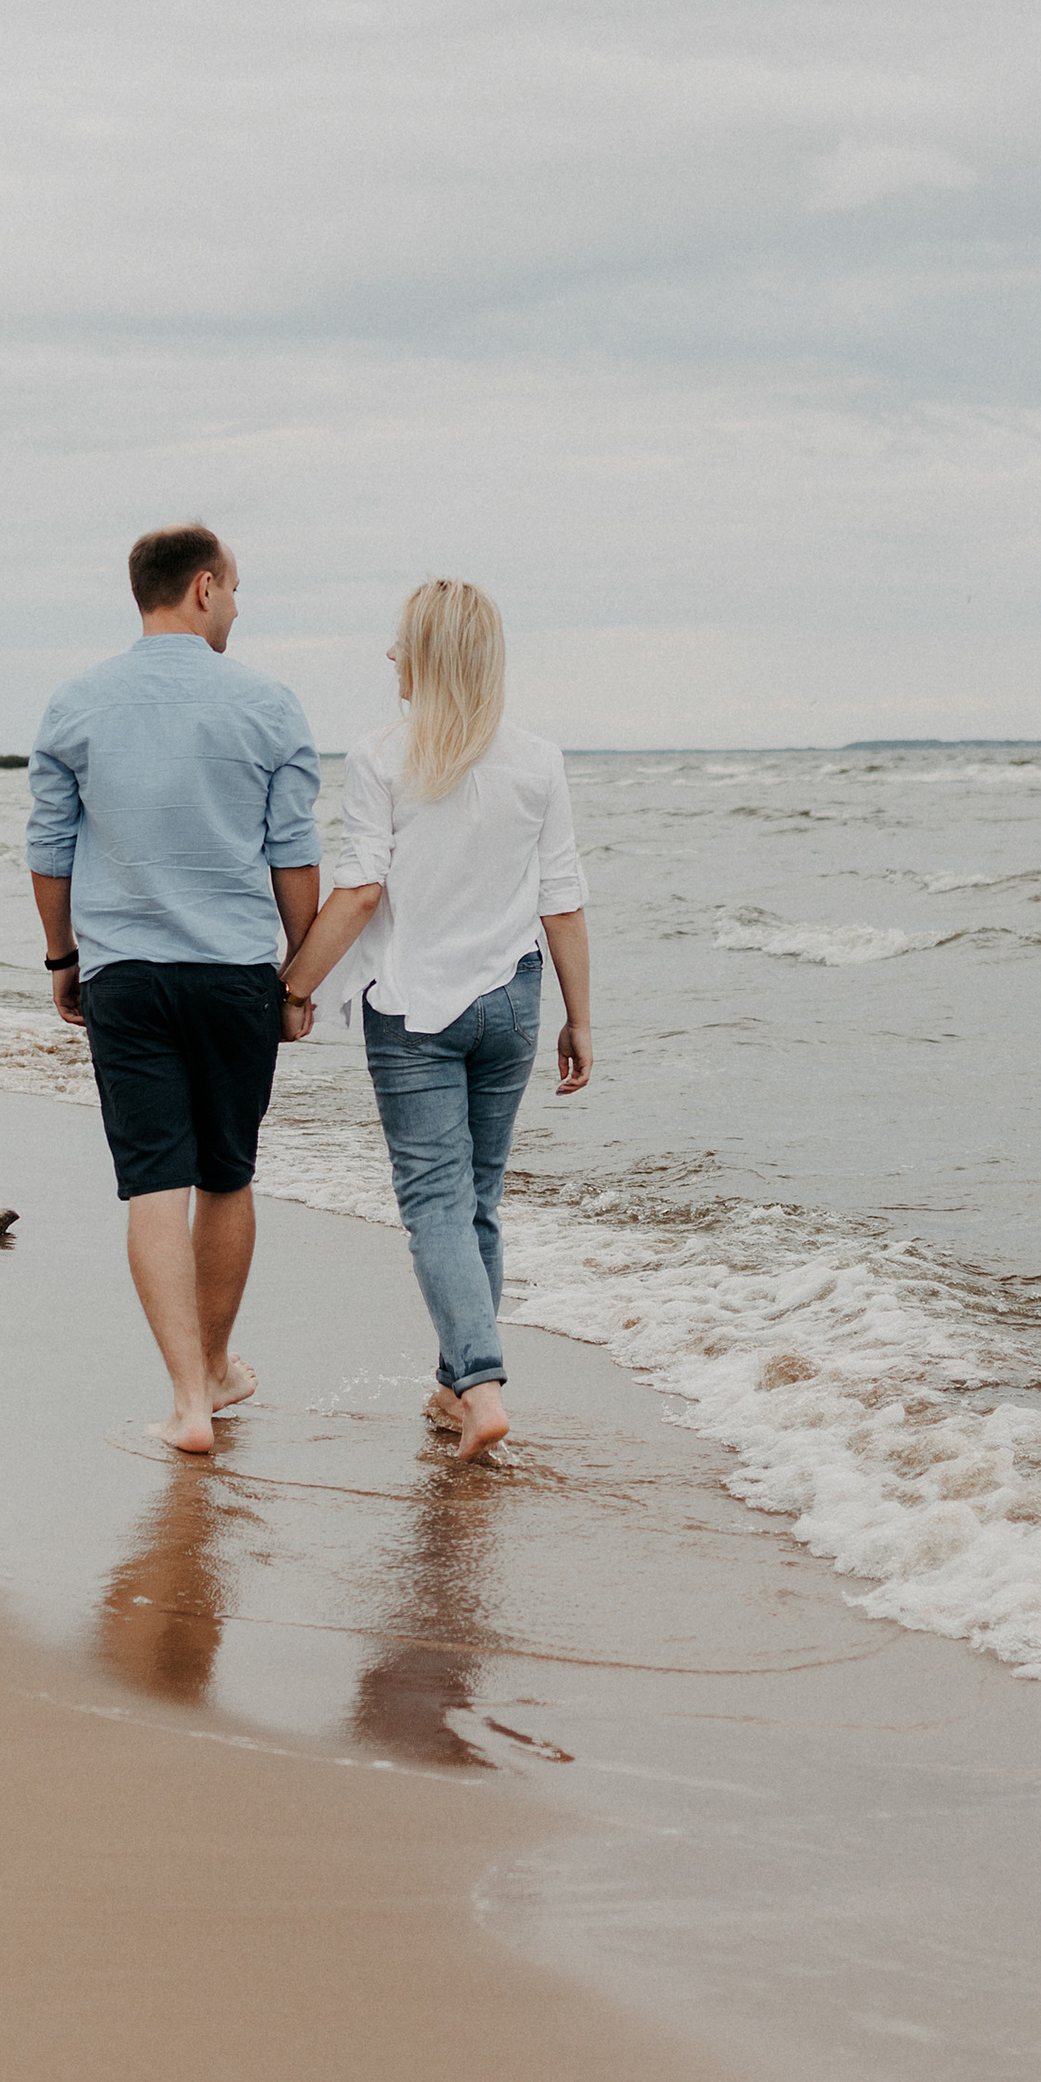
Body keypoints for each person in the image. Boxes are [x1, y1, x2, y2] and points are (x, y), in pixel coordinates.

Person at [277, 578, 589, 1461]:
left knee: (435, 1203)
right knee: (477, 1198)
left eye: (401, 642)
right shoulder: (539, 759)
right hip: (512, 1001)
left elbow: (359, 889)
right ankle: (457, 1388)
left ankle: (481, 1384)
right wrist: (581, 1017)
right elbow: (562, 900)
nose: (389, 656)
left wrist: (293, 989)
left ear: (430, 656)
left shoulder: (382, 755)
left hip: (414, 1008)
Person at [28, 525, 322, 1455]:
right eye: (233, 588)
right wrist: (299, 976)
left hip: (124, 974)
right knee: (227, 1174)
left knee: (154, 1180)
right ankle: (220, 1364)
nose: (235, 605)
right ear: (203, 586)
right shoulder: (269, 704)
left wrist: (62, 959)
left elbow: (50, 848)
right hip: (235, 975)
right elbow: (293, 854)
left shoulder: (76, 703)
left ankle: (189, 1401)